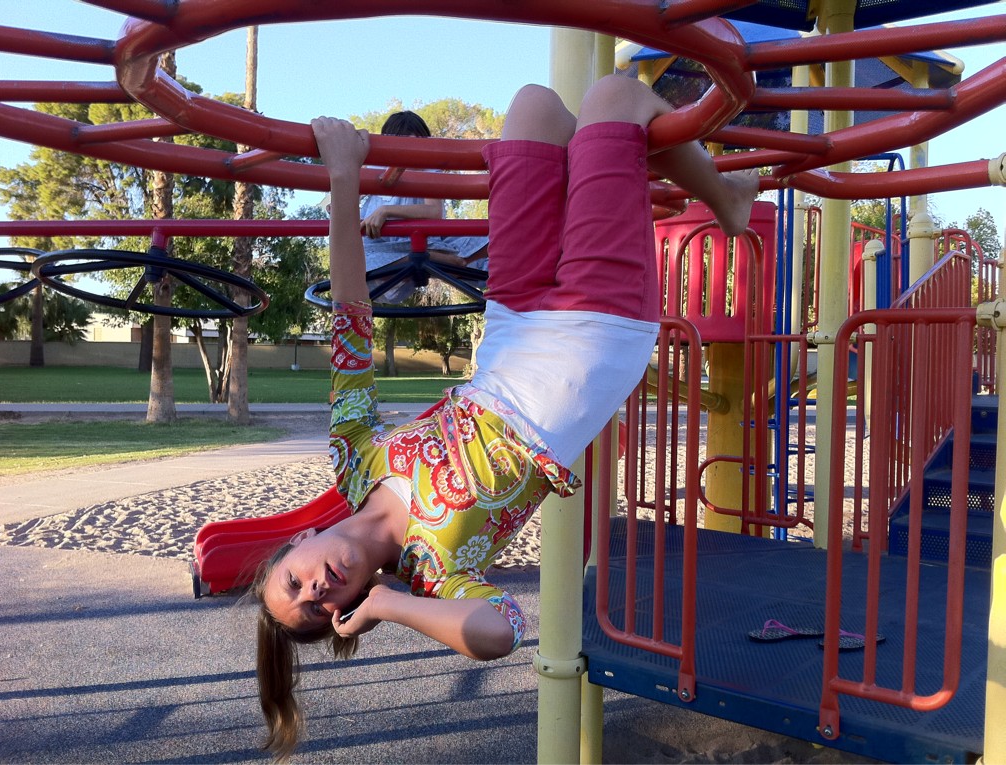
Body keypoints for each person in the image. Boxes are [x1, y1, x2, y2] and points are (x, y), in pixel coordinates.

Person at [252, 75, 759, 760]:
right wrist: (387, 605)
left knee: (534, 110)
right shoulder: (435, 571)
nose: (316, 587)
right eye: (318, 607)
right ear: (345, 611)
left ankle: (644, 170)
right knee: (615, 99)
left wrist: (346, 181)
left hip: (514, 321)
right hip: (591, 340)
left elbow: (351, 320)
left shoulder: (353, 458)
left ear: (299, 543)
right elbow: (502, 630)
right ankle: (726, 201)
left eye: (295, 581)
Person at [358, 110, 489, 302]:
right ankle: (443, 260)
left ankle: (451, 261)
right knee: (357, 263)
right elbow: (349, 192)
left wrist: (386, 210)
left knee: (497, 231)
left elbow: (434, 212)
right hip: (384, 246)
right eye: (403, 144)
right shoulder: (377, 170)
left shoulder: (428, 169)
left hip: (427, 240)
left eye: (417, 144)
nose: (409, 154)